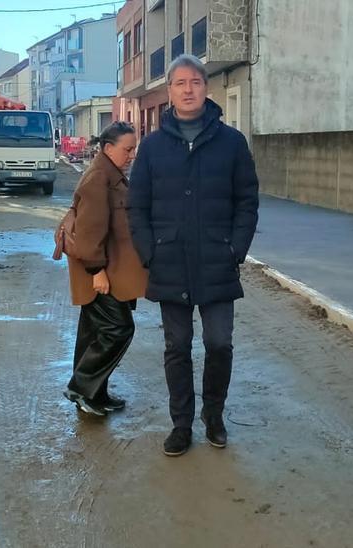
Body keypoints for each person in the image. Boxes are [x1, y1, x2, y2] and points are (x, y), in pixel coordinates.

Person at [127, 55, 259, 457]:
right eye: (180, 83)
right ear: (169, 92)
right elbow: (137, 207)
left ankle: (214, 416)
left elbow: (247, 201)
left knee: (220, 343)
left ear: (206, 88)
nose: (188, 89)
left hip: (218, 261)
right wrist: (150, 252)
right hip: (170, 263)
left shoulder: (232, 143)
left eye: (195, 82)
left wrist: (236, 247)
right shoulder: (151, 148)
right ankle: (181, 424)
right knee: (177, 346)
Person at [63, 122, 148, 416]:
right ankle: (81, 387)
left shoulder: (111, 175)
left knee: (94, 331)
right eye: (128, 149)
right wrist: (96, 272)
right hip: (100, 273)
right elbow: (89, 230)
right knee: (118, 329)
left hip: (110, 270)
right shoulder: (99, 178)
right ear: (108, 148)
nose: (132, 155)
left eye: (133, 148)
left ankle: (95, 394)